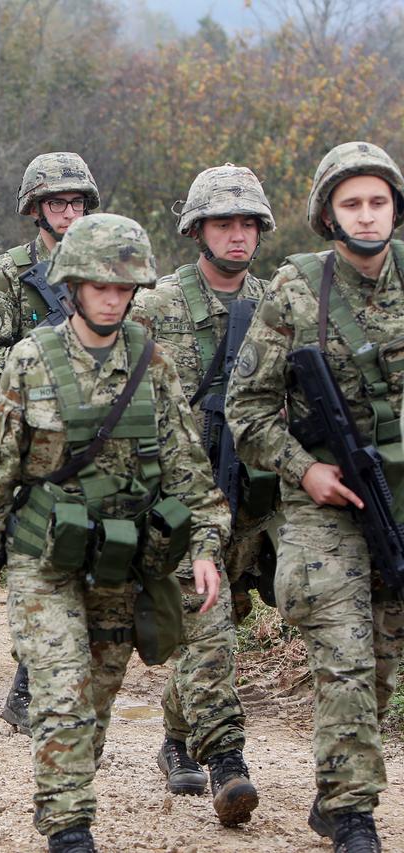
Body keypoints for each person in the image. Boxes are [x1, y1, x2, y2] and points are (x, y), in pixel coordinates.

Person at [0, 213, 227, 853]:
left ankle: (67, 788)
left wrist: (208, 546)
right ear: (72, 285)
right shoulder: (31, 360)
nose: (112, 298)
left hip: (119, 562)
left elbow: (190, 468)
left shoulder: (151, 362)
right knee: (60, 692)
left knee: (98, 700)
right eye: (99, 286)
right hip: (40, 559)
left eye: (123, 288)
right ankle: (69, 831)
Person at [227, 141, 404, 853]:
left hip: (399, 497)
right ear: (328, 215)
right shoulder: (296, 290)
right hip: (324, 503)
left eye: (378, 201)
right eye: (351, 203)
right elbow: (248, 409)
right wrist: (305, 471)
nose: (367, 216)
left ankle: (336, 796)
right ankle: (355, 816)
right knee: (346, 657)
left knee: (384, 667)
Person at [130, 164, 274, 819]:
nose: (238, 235)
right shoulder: (154, 306)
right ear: (197, 230)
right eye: (224, 223)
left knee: (218, 631)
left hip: (257, 499)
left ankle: (175, 739)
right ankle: (228, 762)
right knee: (210, 632)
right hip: (183, 504)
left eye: (248, 223)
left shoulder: (280, 305)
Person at [0, 151, 101, 734]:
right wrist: (45, 345)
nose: (68, 213)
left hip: (96, 432)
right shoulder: (11, 273)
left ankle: (57, 677)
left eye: (76, 203)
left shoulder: (107, 262)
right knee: (40, 555)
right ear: (35, 210)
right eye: (56, 204)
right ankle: (30, 680)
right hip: (32, 431)